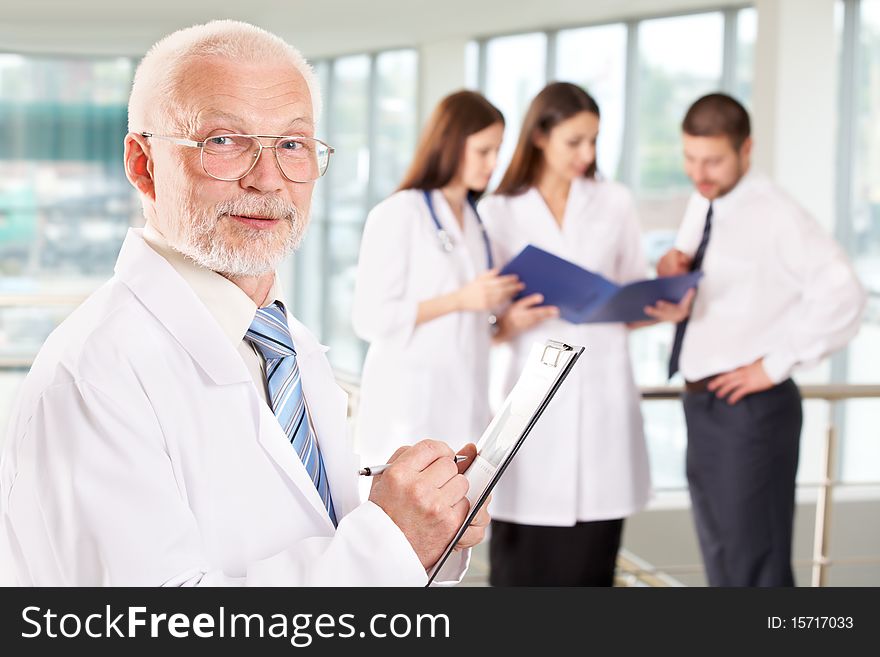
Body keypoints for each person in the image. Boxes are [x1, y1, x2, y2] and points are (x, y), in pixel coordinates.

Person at [0, 20, 488, 586]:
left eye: (292, 145)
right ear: (143, 164)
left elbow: (307, 525)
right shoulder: (92, 376)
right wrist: (386, 544)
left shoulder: (285, 343)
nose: (268, 180)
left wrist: (417, 529)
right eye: (224, 142)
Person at [479, 82, 692, 586]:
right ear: (539, 137)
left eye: (594, 141)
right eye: (574, 141)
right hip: (528, 395)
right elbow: (479, 322)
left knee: (591, 567)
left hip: (600, 395)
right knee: (518, 568)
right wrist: (507, 321)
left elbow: (626, 297)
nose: (587, 154)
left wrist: (660, 306)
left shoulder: (613, 201)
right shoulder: (497, 211)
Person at [657, 92, 865, 587]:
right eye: (689, 158)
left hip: (751, 412)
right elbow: (704, 284)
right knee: (725, 566)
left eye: (712, 160)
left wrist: (773, 365)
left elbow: (845, 294)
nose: (698, 172)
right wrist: (672, 270)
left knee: (756, 572)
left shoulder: (777, 215)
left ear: (746, 150)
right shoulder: (707, 200)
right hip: (705, 404)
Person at [352, 91, 553, 465]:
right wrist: (462, 299)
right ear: (450, 144)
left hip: (466, 405)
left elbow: (470, 327)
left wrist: (504, 324)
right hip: (408, 409)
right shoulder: (399, 213)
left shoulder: (477, 222)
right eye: (483, 151)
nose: (493, 163)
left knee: (465, 517)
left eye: (498, 150)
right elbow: (370, 319)